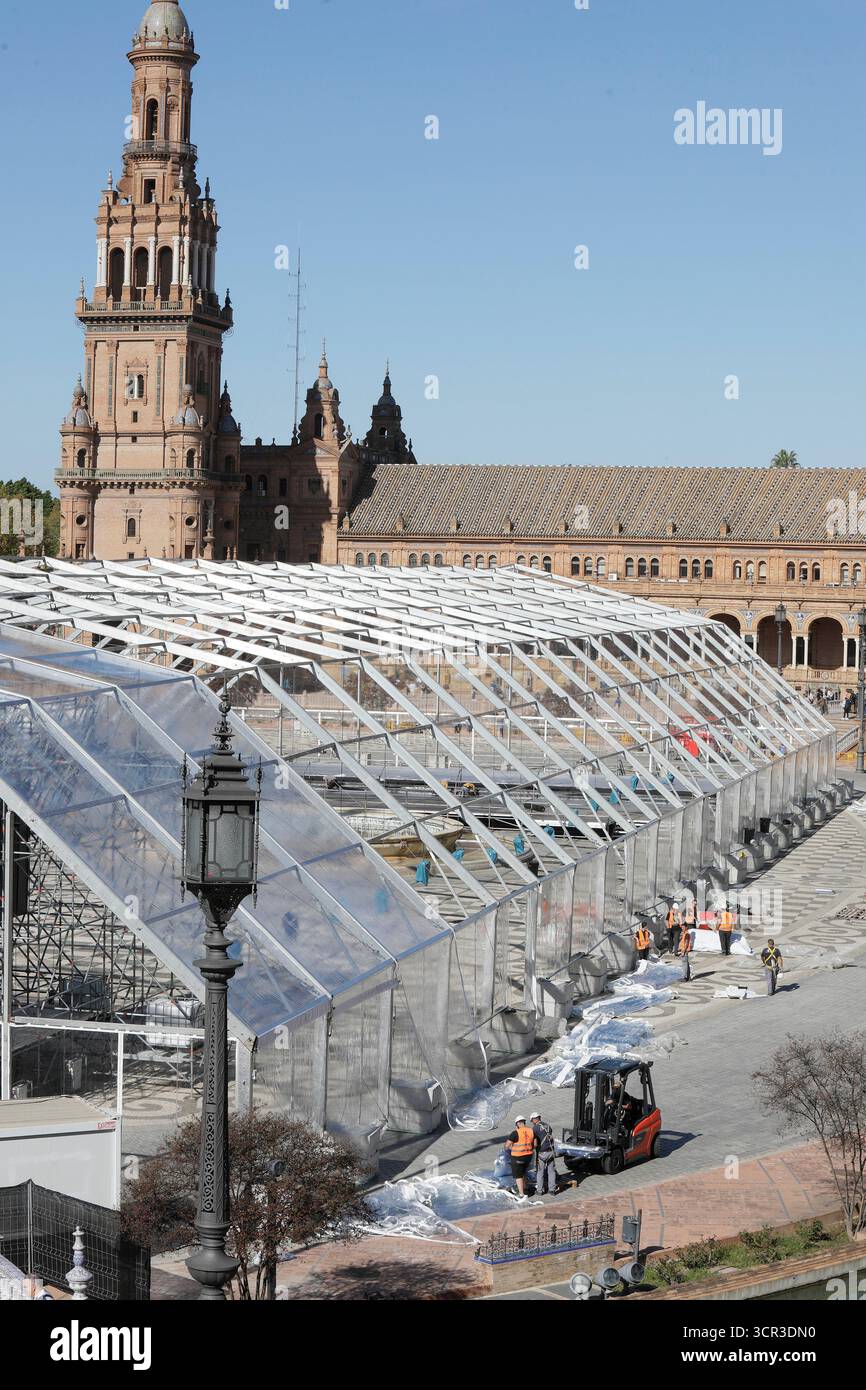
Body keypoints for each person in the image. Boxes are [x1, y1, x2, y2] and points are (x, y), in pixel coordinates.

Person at [505, 1115, 537, 1197]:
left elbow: (506, 1146)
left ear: (517, 1124)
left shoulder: (515, 1133)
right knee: (524, 1172)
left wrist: (512, 1148)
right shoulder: (531, 1130)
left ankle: (521, 1194)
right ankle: (525, 1188)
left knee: (518, 1176)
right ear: (524, 1122)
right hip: (528, 1156)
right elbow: (535, 1144)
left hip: (517, 1157)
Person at [530, 1110, 558, 1196]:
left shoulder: (535, 1128)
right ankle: (552, 1190)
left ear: (534, 1119)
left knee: (540, 1171)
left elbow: (534, 1143)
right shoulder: (548, 1126)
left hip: (542, 1153)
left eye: (532, 1121)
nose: (532, 1122)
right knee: (551, 1171)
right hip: (551, 1151)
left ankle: (540, 1190)